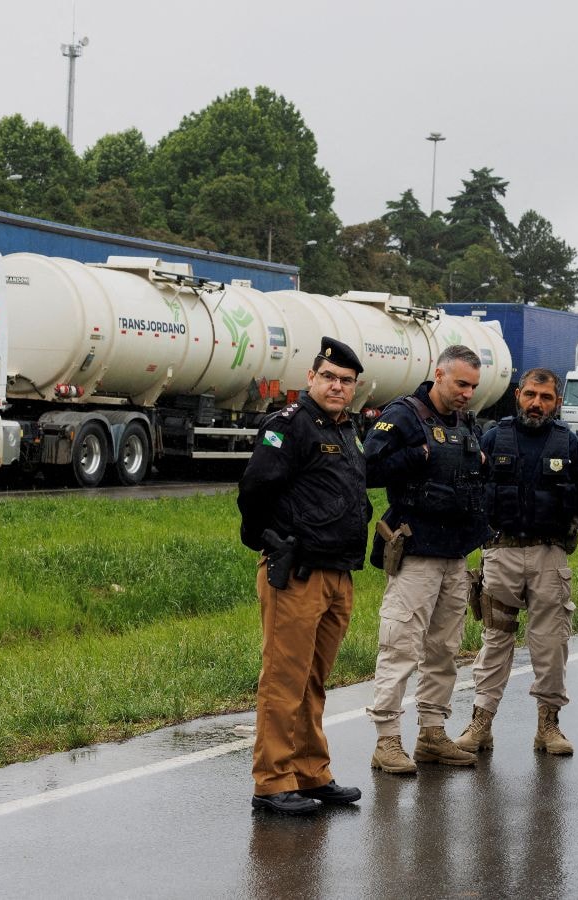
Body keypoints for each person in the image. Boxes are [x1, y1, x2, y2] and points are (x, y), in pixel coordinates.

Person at [237, 336, 372, 815]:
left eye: (346, 381)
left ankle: (311, 773)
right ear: (311, 378)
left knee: (314, 680)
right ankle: (272, 782)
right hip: (297, 573)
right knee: (283, 679)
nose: (337, 386)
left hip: (338, 573)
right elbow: (255, 488)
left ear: (355, 388)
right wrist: (268, 542)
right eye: (329, 377)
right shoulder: (289, 427)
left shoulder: (348, 430)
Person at [454, 368, 578, 756]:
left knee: (551, 644)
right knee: (495, 640)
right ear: (518, 394)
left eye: (546, 397)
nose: (537, 403)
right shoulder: (492, 437)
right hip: (500, 553)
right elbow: (469, 486)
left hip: (550, 555)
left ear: (558, 401)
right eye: (531, 394)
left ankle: (548, 726)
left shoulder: (569, 444)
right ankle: (480, 724)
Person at [363, 345, 489, 774]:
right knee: (399, 646)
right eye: (460, 384)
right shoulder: (403, 414)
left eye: (473, 386)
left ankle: (432, 733)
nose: (467, 393)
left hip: (455, 554)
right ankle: (387, 740)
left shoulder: (465, 422)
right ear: (439, 374)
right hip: (416, 551)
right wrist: (417, 455)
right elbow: (368, 469)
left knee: (444, 650)